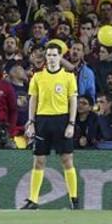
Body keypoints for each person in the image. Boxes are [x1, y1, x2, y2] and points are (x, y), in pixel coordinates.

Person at [21, 43, 79, 210]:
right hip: (42, 120)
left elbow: (73, 100)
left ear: (60, 57)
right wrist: (31, 122)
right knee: (39, 161)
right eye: (49, 55)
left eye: (55, 55)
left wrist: (71, 124)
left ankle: (74, 198)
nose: (52, 58)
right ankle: (33, 200)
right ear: (45, 58)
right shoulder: (38, 77)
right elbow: (33, 100)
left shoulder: (68, 77)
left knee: (67, 160)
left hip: (62, 120)